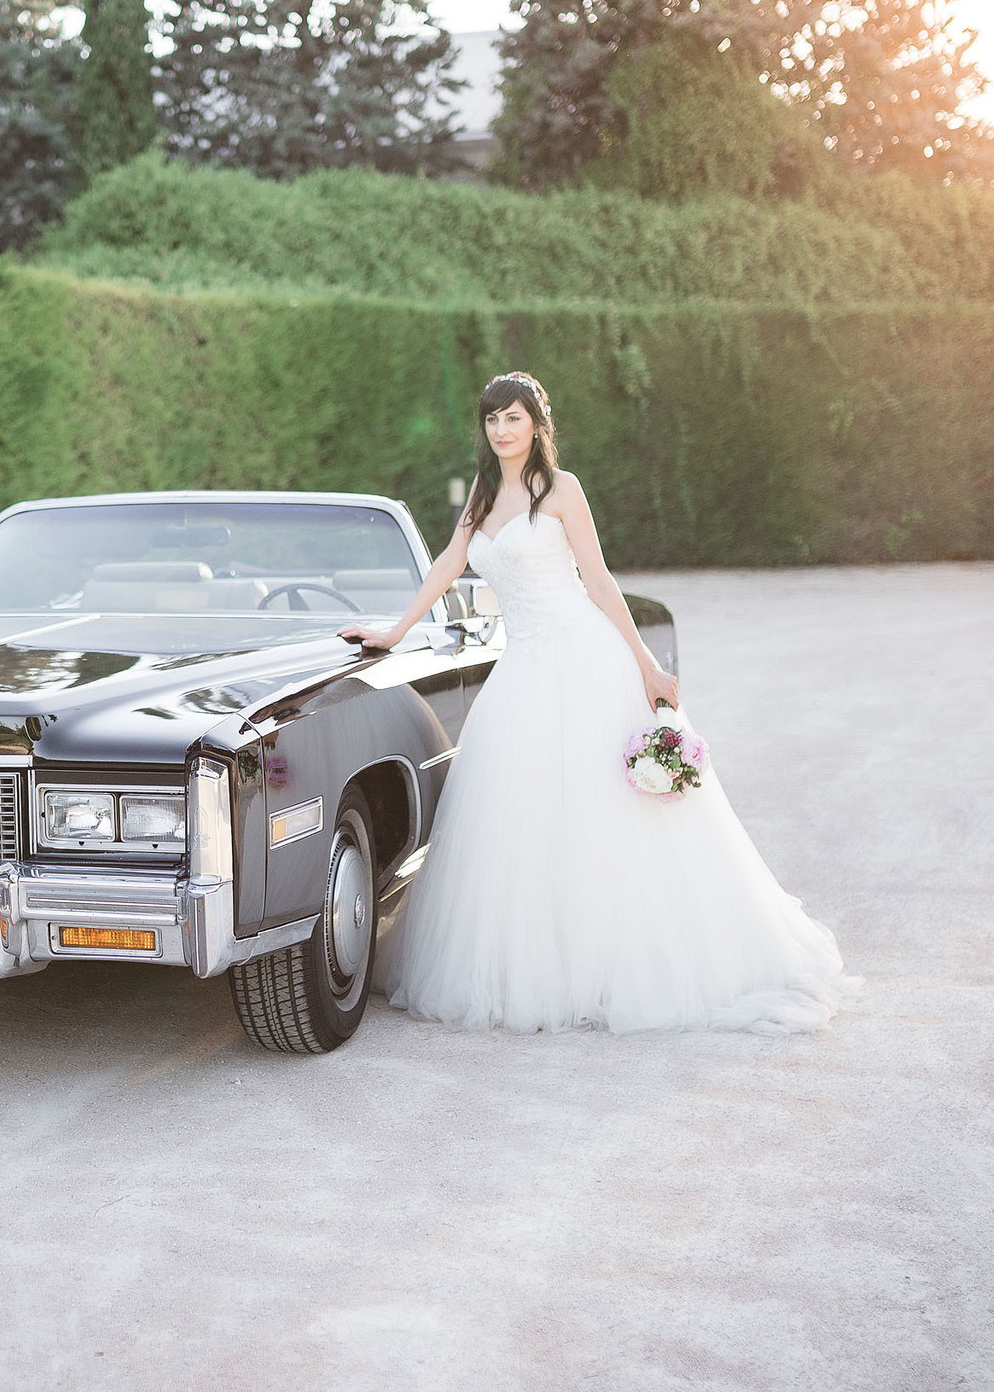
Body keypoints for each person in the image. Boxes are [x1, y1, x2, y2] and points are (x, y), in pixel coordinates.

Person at [338, 371, 854, 1034]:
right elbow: (447, 565)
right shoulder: (485, 490)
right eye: (492, 420)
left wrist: (646, 666)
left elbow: (600, 581)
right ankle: (546, 962)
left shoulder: (561, 489)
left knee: (601, 818)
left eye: (514, 419)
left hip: (582, 658)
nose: (502, 431)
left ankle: (615, 966)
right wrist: (392, 631)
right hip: (522, 671)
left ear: (537, 425)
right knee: (523, 820)